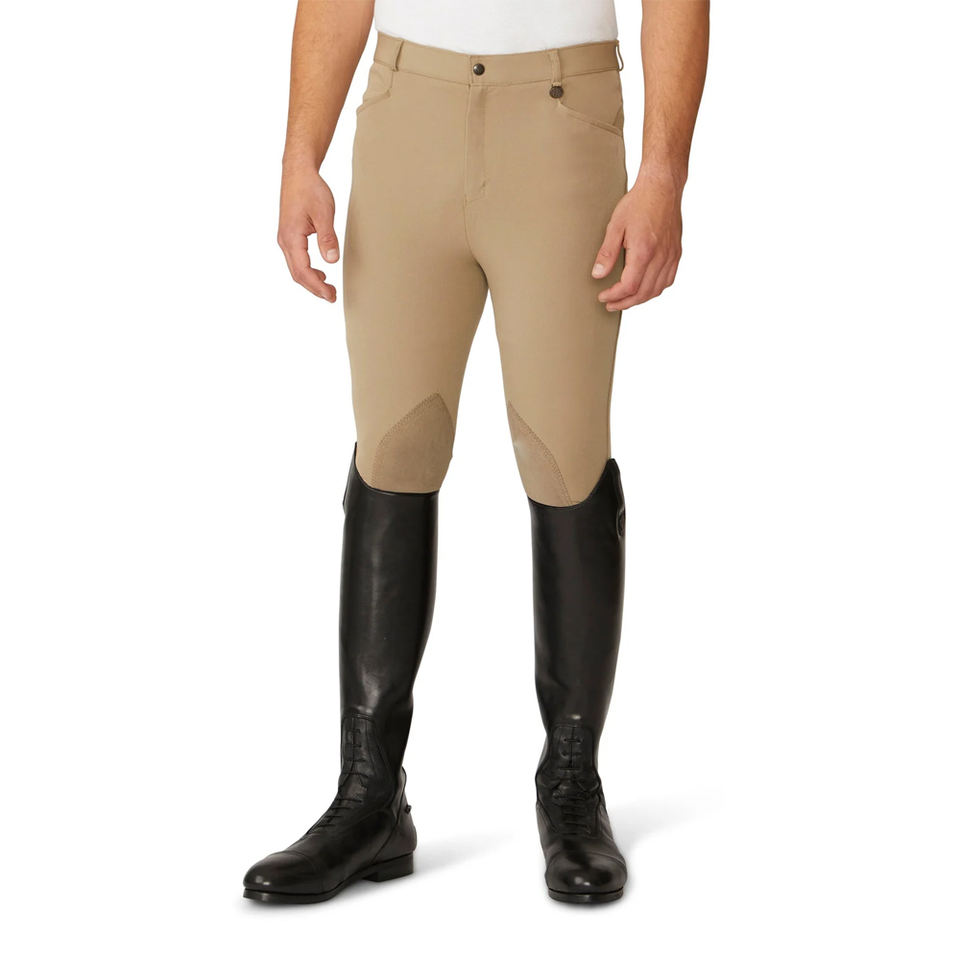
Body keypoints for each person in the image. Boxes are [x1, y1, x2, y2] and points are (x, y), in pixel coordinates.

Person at [243, 0, 709, 905]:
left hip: (565, 126)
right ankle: (369, 796)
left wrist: (663, 175)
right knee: (392, 451)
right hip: (404, 115)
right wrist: (301, 156)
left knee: (565, 456)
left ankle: (571, 787)